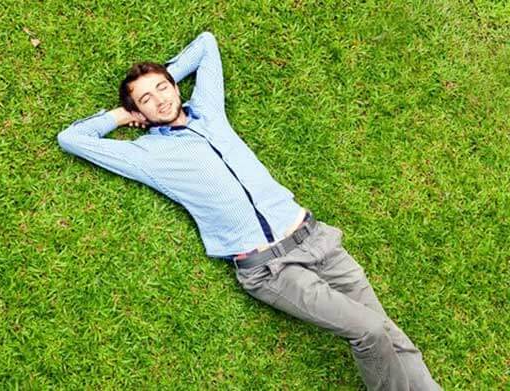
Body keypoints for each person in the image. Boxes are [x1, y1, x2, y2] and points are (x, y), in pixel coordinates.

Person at [57, 31, 441, 390]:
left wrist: (163, 78)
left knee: (391, 334)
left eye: (162, 88)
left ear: (175, 86)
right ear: (138, 112)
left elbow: (207, 44)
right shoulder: (145, 155)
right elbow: (72, 138)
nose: (160, 99)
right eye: (146, 100)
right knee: (369, 331)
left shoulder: (210, 112)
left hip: (317, 240)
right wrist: (123, 114)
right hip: (272, 269)